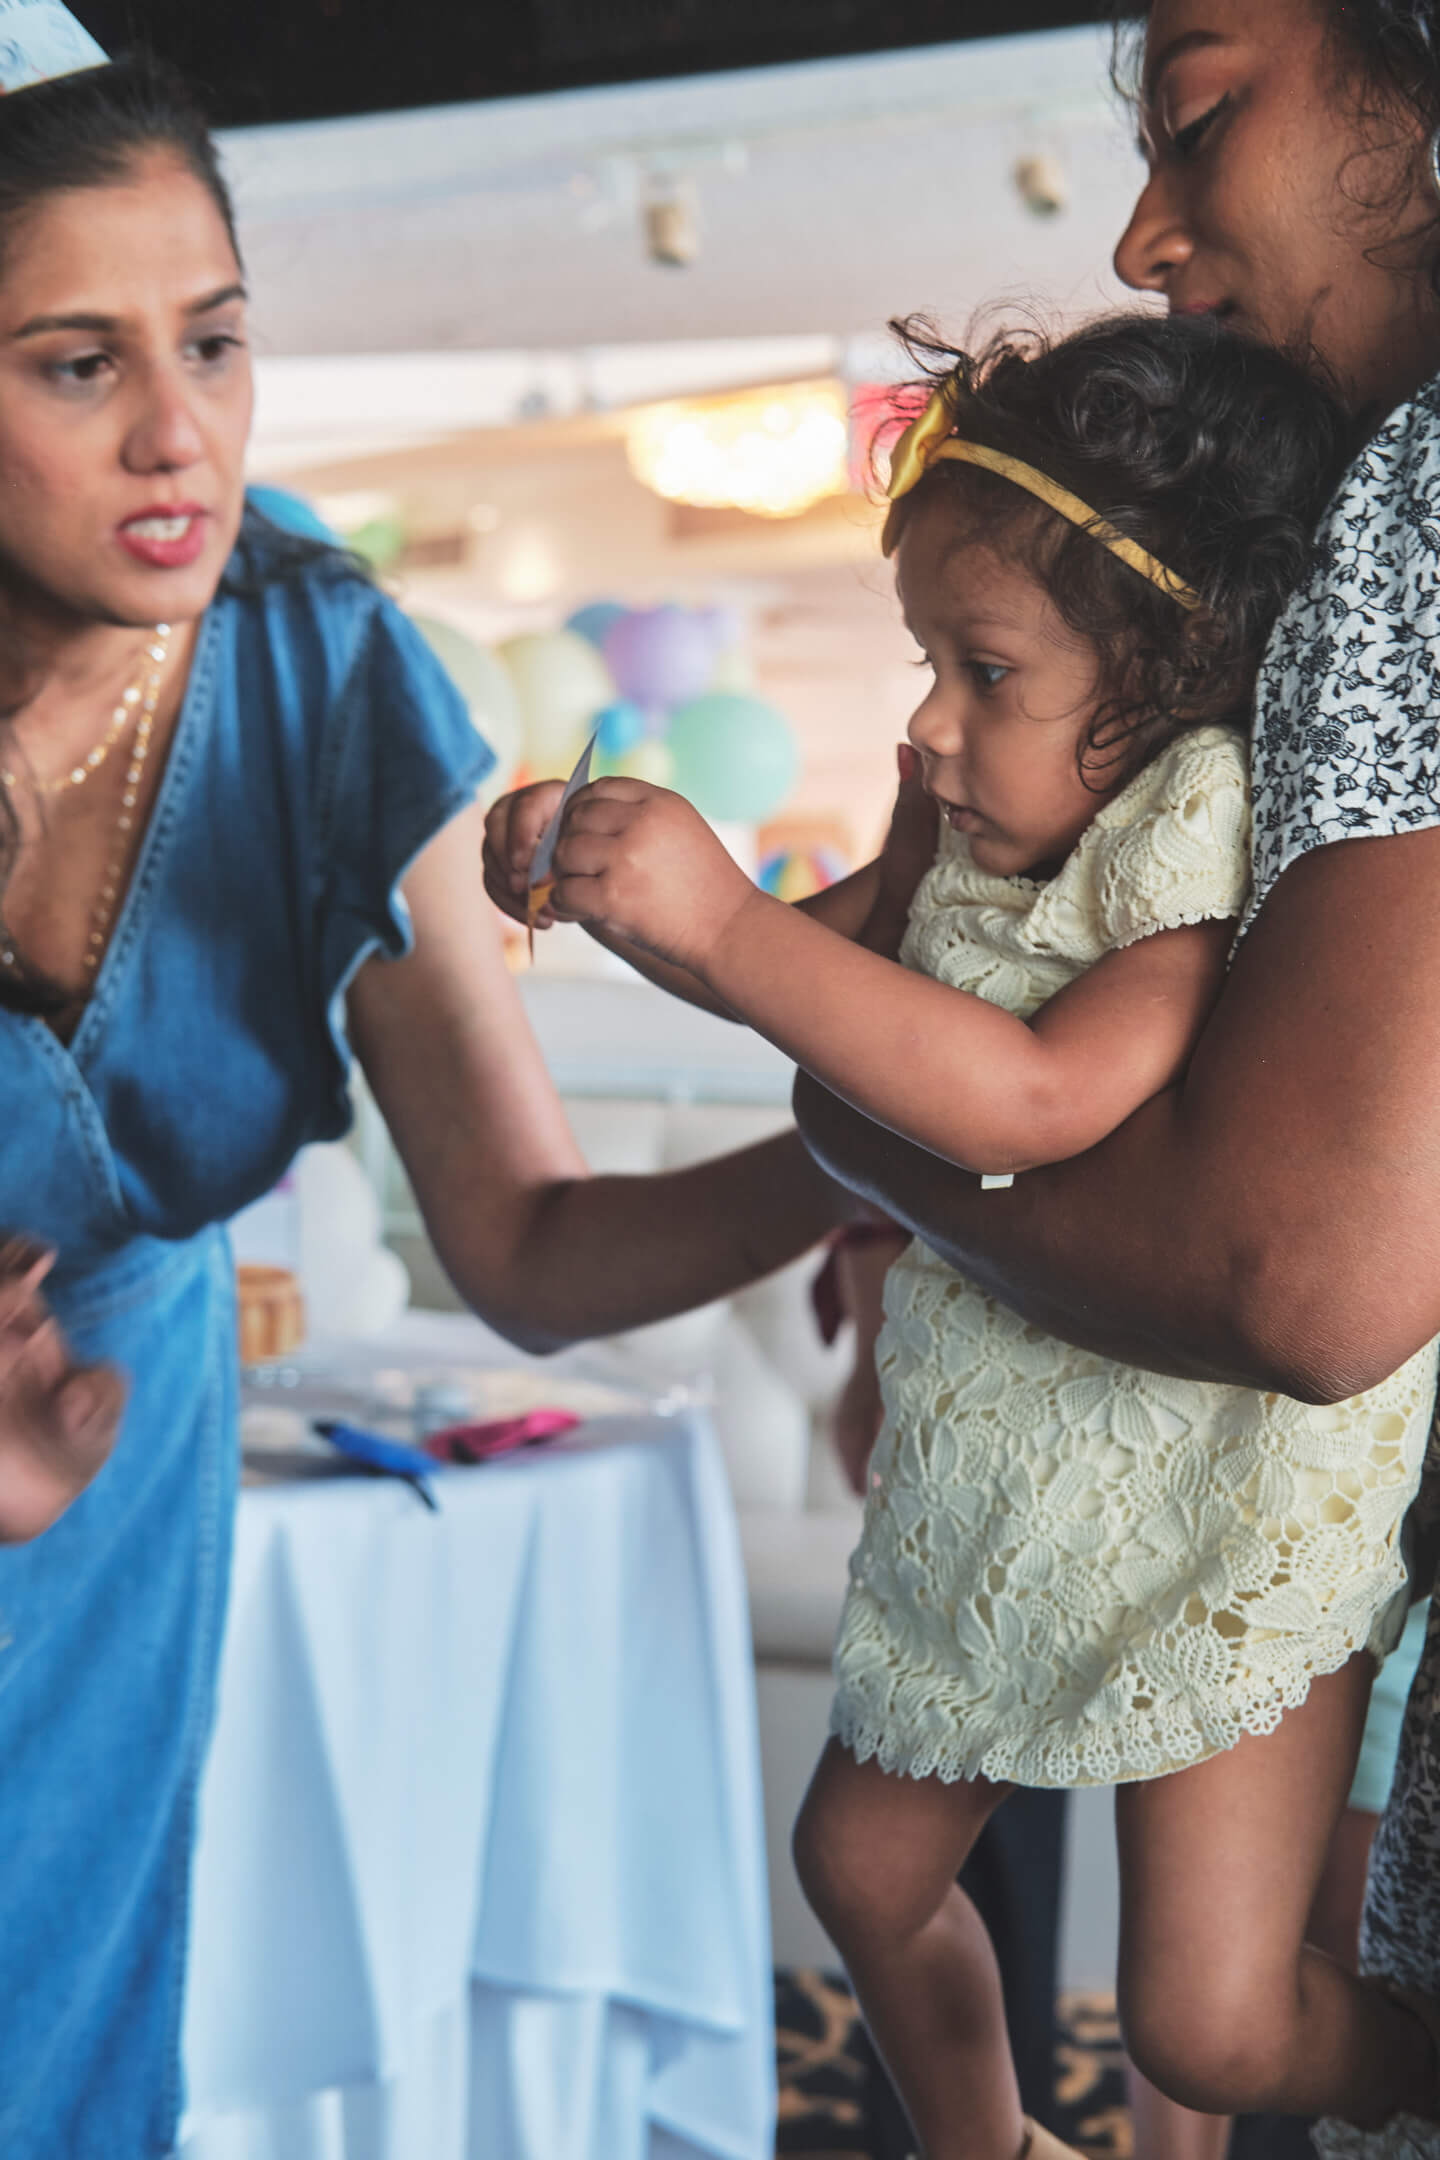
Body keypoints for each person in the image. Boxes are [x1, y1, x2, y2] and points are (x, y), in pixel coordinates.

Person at [0, 30, 851, 2159]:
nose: (177, 430)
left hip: (105, 1486)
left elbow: (531, 1249)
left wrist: (876, 1141)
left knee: (55, 2062)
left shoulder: (313, 651)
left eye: (212, 338)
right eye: (72, 363)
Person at [488, 307, 1440, 2158]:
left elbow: (1030, 1098)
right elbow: (819, 983)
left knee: (1212, 2022)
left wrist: (729, 934)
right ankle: (990, 2143)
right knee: (852, 1862)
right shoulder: (966, 823)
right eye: (928, 662)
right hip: (1002, 1477)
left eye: (980, 670)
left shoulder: (1199, 825)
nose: (927, 722)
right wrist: (632, 892)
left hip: (1202, 1495)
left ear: (1160, 676)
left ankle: (1417, 2078)